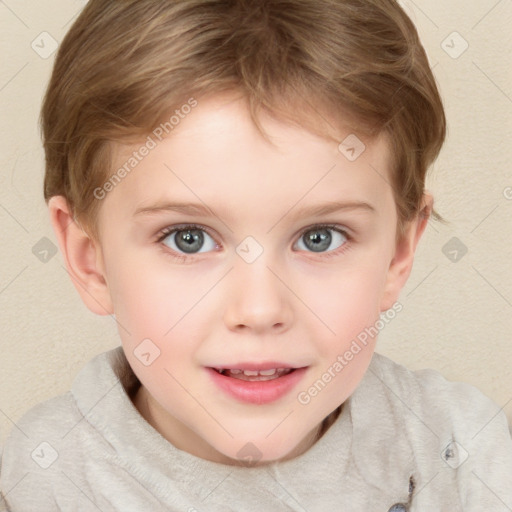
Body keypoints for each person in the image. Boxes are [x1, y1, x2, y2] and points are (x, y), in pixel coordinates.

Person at [1, 0, 511, 510]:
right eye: (188, 238)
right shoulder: (38, 482)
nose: (260, 310)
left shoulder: (464, 457)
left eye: (320, 237)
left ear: (399, 255)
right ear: (91, 261)